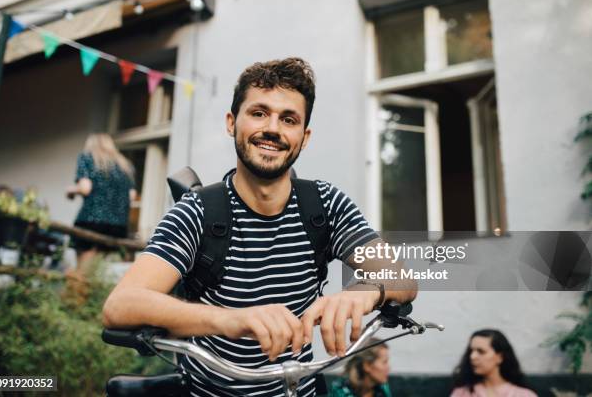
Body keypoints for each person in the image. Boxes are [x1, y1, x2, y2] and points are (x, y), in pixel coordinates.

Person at [102, 57, 417, 396]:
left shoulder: (325, 204)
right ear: (231, 122)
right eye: (258, 113)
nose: (273, 128)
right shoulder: (197, 213)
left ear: (304, 136)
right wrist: (228, 320)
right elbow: (120, 305)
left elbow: (404, 279)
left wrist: (365, 291)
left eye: (289, 119)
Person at [66, 133, 136, 273]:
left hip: (91, 221)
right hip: (118, 226)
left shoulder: (87, 158)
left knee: (83, 271)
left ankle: (76, 293)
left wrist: (70, 190)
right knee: (98, 270)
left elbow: (85, 188)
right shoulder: (125, 165)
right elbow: (132, 196)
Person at [451, 329, 537, 397]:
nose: (473, 357)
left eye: (481, 351)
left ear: (500, 357)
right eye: (471, 351)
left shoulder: (524, 395)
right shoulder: (462, 394)